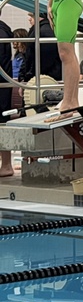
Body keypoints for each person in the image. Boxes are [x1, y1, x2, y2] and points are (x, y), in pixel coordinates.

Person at [20, 12, 62, 83]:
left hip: (44, 78)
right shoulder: (50, 28)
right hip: (51, 76)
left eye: (32, 16)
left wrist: (28, 78)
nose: (29, 19)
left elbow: (36, 59)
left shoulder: (41, 31)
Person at [0, 11, 12, 177]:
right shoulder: (4, 29)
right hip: (4, 83)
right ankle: (6, 163)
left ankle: (7, 164)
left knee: (1, 123)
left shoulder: (1, 32)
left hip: (1, 84)